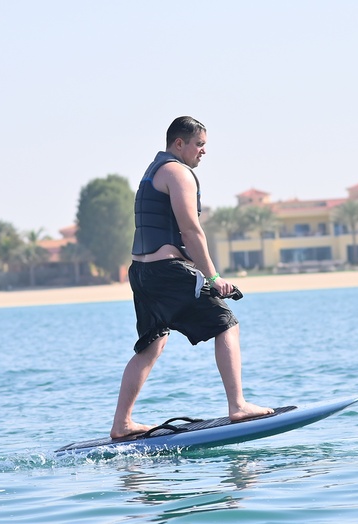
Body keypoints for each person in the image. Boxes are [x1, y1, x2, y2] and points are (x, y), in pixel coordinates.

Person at [110, 116, 272, 439]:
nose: (203, 152)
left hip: (141, 273)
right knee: (226, 323)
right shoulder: (177, 173)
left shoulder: (152, 171)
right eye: (199, 145)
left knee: (151, 345)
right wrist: (212, 276)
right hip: (166, 272)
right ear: (179, 144)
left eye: (205, 146)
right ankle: (238, 404)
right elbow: (190, 229)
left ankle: (121, 424)